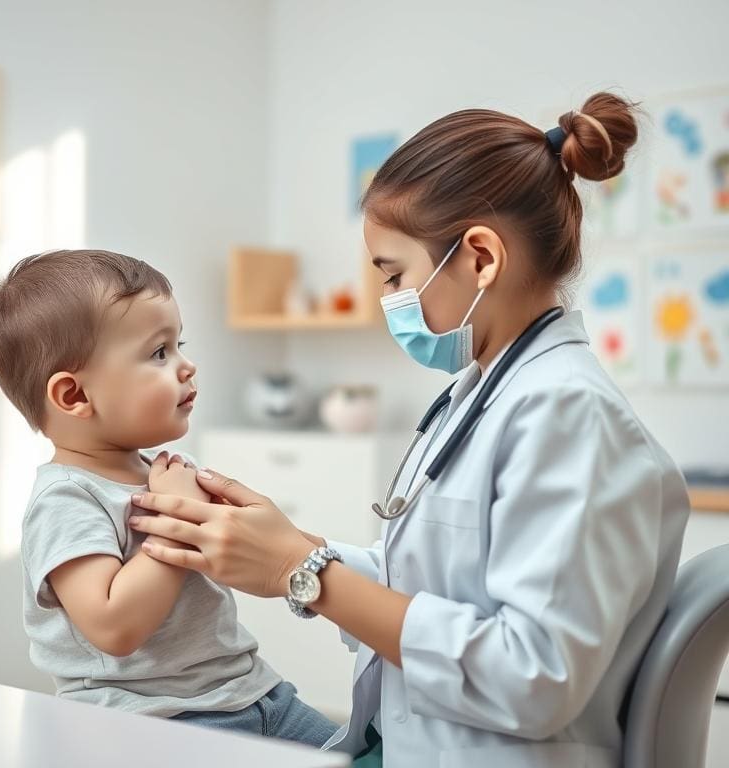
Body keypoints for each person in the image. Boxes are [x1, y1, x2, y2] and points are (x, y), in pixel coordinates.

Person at [128, 93, 691, 767]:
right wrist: (282, 541)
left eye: (396, 274)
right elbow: (432, 591)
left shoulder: (567, 415)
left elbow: (534, 677)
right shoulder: (483, 394)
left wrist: (299, 572)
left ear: (480, 258)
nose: (388, 299)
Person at [0, 249, 337, 746]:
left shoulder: (162, 474)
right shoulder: (66, 500)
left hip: (257, 695)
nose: (187, 366)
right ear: (74, 397)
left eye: (179, 344)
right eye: (158, 353)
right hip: (153, 722)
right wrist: (176, 521)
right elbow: (112, 627)